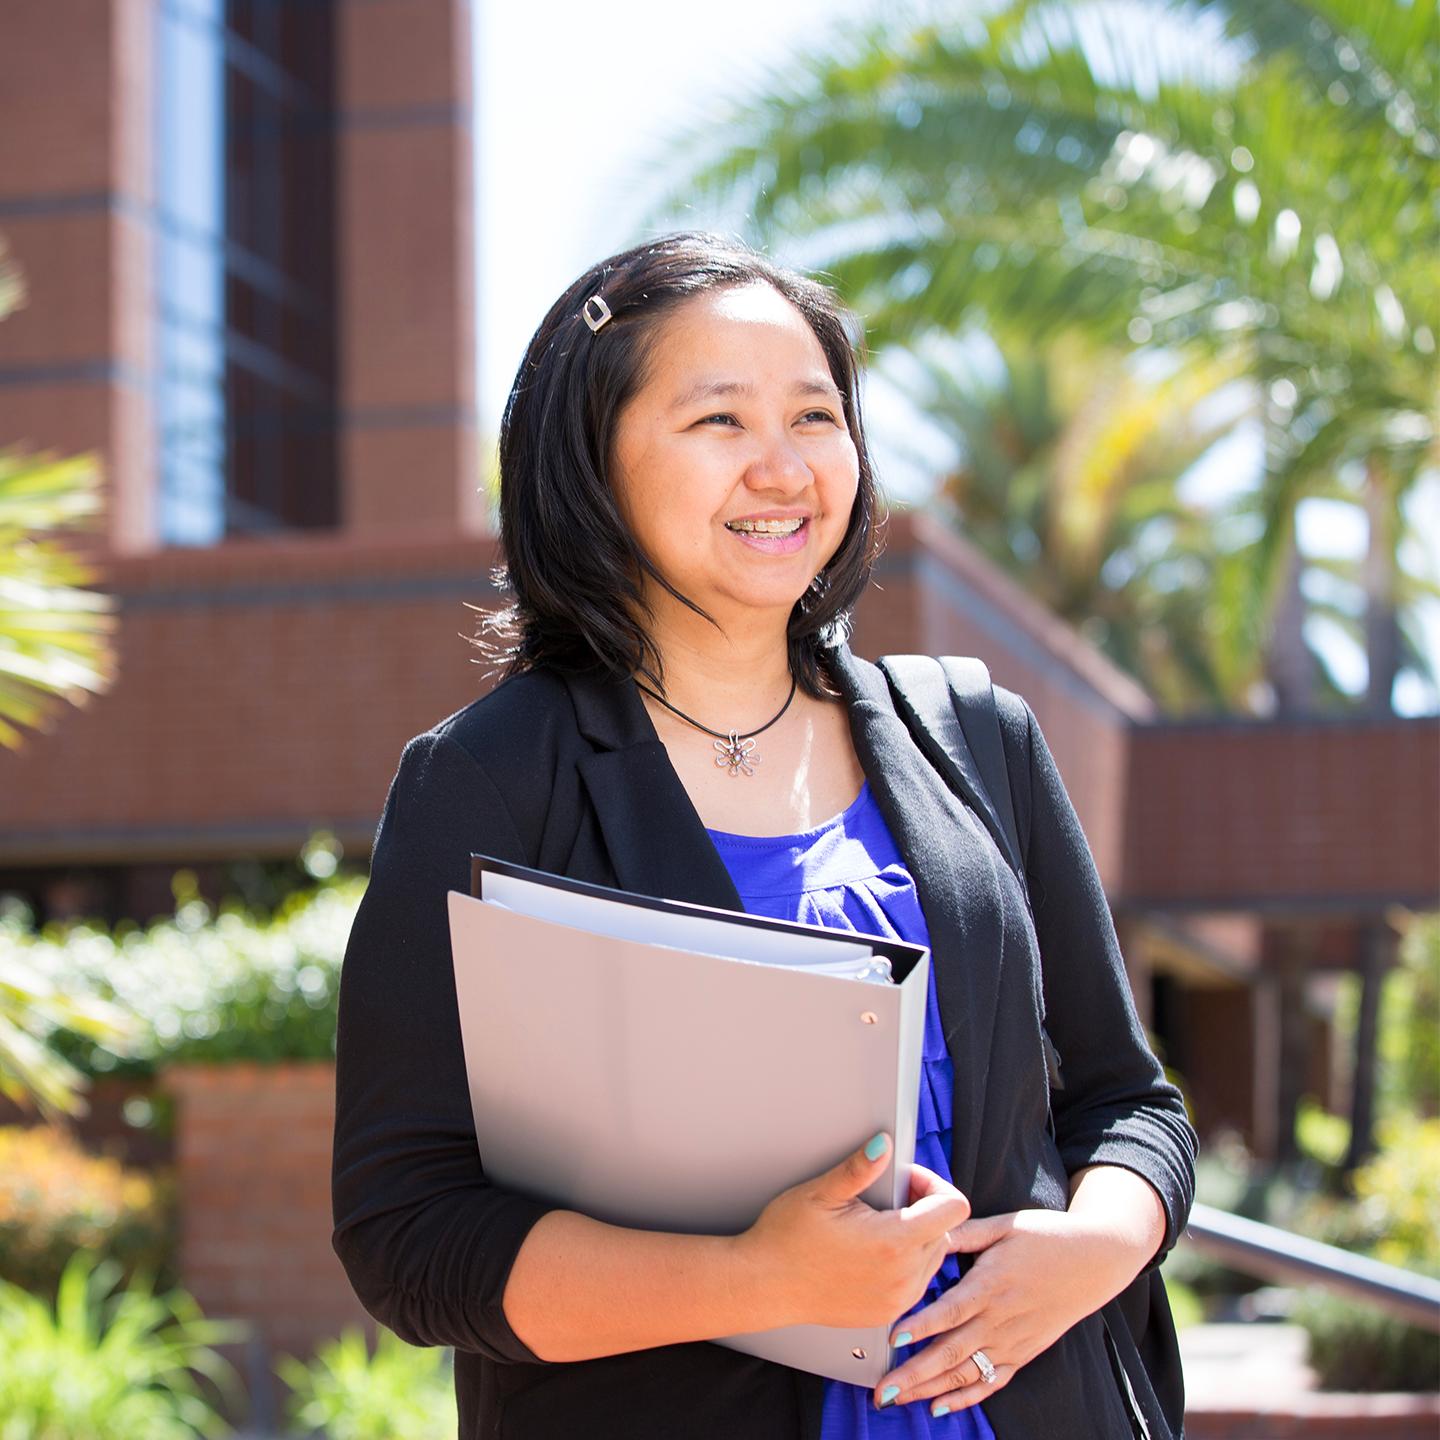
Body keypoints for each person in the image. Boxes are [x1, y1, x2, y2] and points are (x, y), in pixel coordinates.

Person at [331, 232, 1198, 1440]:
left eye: (814, 416)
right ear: (594, 461)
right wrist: (757, 1281)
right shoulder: (486, 781)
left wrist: (1093, 1249)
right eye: (719, 423)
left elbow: (1128, 1103)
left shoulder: (977, 735)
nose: (784, 468)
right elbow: (408, 1229)